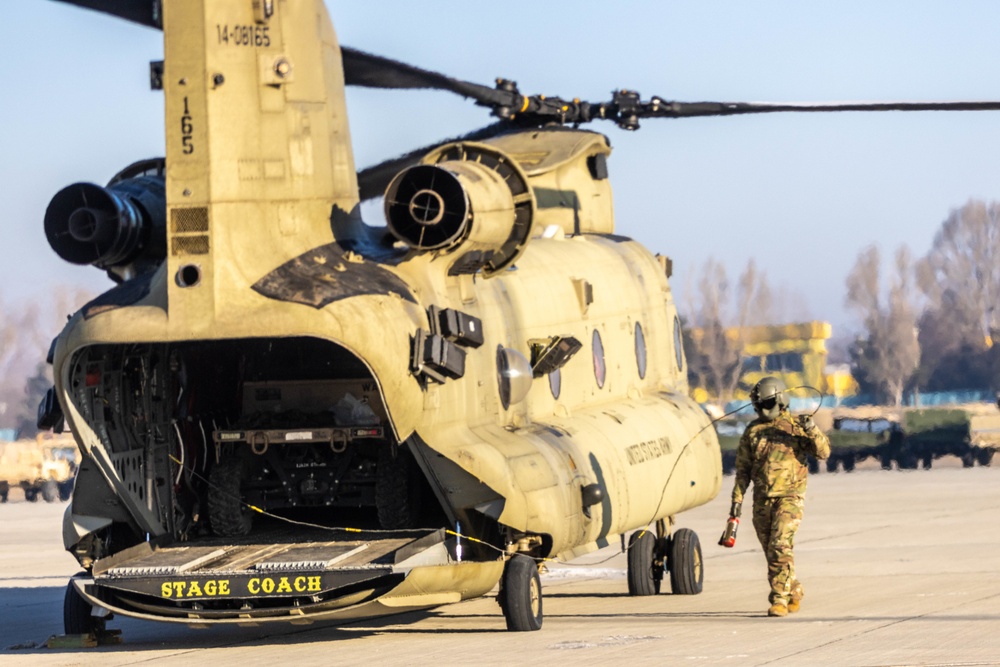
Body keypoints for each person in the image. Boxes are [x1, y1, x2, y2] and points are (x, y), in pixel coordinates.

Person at [728, 376, 830, 617]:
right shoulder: (753, 432)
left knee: (779, 545)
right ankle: (793, 588)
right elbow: (743, 470)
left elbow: (823, 452)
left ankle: (779, 599)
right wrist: (736, 502)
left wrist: (811, 430)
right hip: (762, 501)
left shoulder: (797, 428)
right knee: (773, 553)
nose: (763, 409)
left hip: (790, 498)